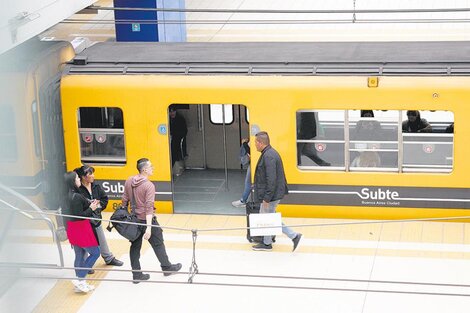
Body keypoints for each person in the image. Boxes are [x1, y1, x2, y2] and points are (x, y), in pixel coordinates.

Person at [121, 158, 182, 283]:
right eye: (151, 166)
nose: (153, 168)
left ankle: (136, 274)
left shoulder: (129, 181)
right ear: (144, 169)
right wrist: (148, 228)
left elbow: (124, 200)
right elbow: (148, 208)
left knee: (135, 246)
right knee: (158, 243)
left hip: (134, 220)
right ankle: (166, 267)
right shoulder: (148, 185)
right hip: (147, 221)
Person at [251, 131, 302, 251]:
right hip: (273, 193)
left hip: (272, 195)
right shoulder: (269, 153)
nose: (254, 145)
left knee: (269, 218)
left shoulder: (268, 156)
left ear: (260, 142)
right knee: (268, 217)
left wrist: (267, 198)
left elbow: (271, 179)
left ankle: (294, 236)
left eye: (255, 142)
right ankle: (267, 242)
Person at [75, 165, 124, 269]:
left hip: (96, 219)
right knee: (86, 244)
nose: (93, 176)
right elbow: (78, 207)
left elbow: (105, 199)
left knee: (101, 239)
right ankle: (85, 265)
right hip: (85, 221)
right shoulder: (78, 190)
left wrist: (98, 205)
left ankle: (108, 258)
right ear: (83, 177)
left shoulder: (96, 186)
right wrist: (90, 206)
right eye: (91, 174)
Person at [64, 171, 100, 293]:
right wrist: (91, 208)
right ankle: (80, 279)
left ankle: (81, 283)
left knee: (79, 254)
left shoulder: (67, 196)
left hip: (72, 228)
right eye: (77, 178)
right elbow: (80, 216)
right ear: (73, 182)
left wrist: (89, 204)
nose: (79, 179)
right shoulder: (77, 196)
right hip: (81, 229)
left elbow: (72, 214)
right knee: (95, 252)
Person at [232, 138, 251, 208]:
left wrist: (244, 143)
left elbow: (250, 151)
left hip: (254, 163)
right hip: (255, 162)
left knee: (248, 182)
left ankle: (243, 201)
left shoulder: (256, 138)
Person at [169, 106, 188, 171]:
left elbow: (184, 131)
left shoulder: (180, 119)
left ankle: (174, 168)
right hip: (169, 139)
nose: (172, 113)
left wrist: (173, 134)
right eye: (170, 111)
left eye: (173, 111)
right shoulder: (167, 119)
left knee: (174, 152)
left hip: (177, 140)